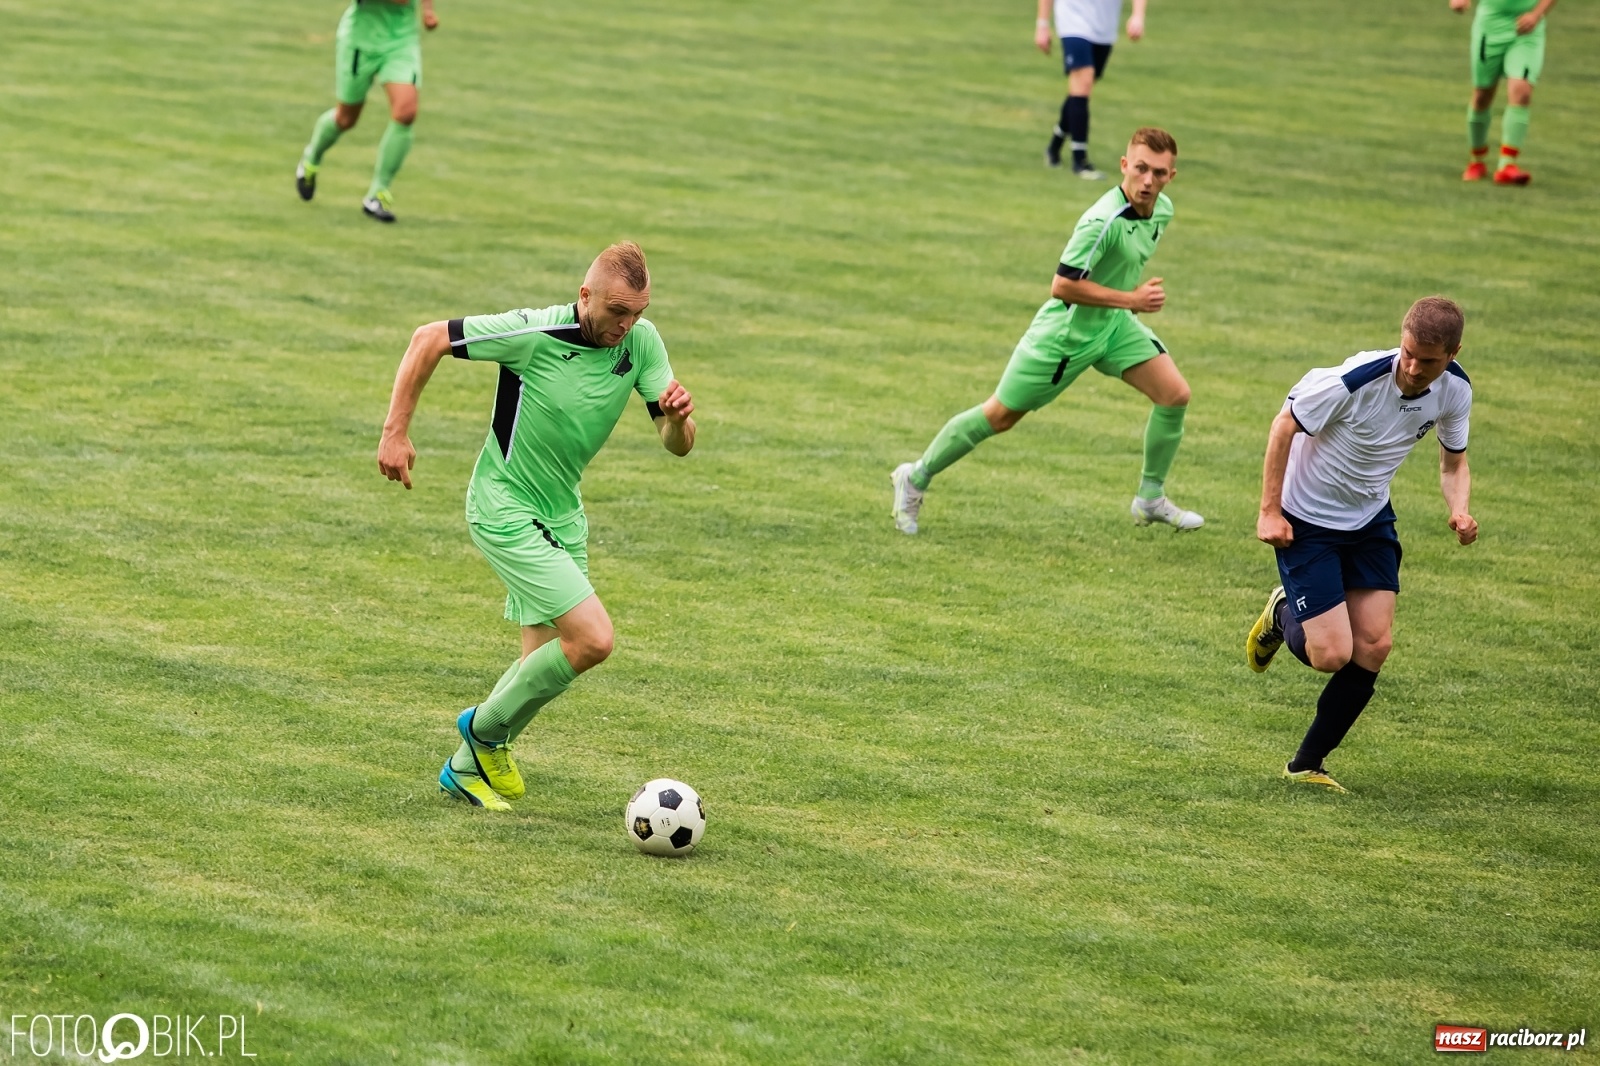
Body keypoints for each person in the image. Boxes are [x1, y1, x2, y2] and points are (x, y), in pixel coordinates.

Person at [377, 242, 696, 810]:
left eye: (637, 314)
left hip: (563, 515)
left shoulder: (642, 344)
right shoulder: (533, 334)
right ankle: (481, 730)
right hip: (503, 507)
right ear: (584, 296)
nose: (626, 326)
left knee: (539, 667)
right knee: (593, 639)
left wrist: (675, 421)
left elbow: (677, 448)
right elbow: (428, 338)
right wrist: (395, 432)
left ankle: (464, 767)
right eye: (616, 312)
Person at [891, 127, 1202, 536]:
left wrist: (1125, 308)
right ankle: (914, 477)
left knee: (1174, 394)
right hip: (1064, 338)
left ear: (1171, 176)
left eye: (1159, 173)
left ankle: (1149, 498)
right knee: (999, 416)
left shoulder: (1162, 210)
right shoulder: (1100, 221)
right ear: (1124, 166)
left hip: (1112, 328)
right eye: (1141, 169)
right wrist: (1132, 300)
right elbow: (1062, 286)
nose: (1148, 181)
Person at [1246, 297, 1477, 794]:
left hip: (1370, 520)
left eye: (1430, 360)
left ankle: (1307, 764)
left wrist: (1458, 509)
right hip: (1306, 519)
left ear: (1454, 353)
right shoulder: (1352, 382)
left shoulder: (1455, 391)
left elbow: (1454, 463)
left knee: (1374, 646)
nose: (1414, 368)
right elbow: (1283, 425)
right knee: (1331, 653)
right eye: (1409, 352)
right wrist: (1269, 511)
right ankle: (1282, 610)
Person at [295, 0, 439, 222]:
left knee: (406, 112)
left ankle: (378, 194)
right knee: (345, 119)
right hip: (360, 43)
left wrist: (428, 11)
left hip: (400, 41)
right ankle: (311, 157)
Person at [1036, 0, 1147, 178]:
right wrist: (1042, 24)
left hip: (1104, 28)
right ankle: (1080, 162)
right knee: (1083, 83)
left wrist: (1138, 15)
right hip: (1072, 21)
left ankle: (1054, 147)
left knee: (1080, 91)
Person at [1450, 0, 1558, 185]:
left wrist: (1536, 14)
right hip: (1491, 27)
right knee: (1483, 95)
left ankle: (1507, 165)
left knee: (1521, 90)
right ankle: (1477, 160)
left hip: (1526, 29)